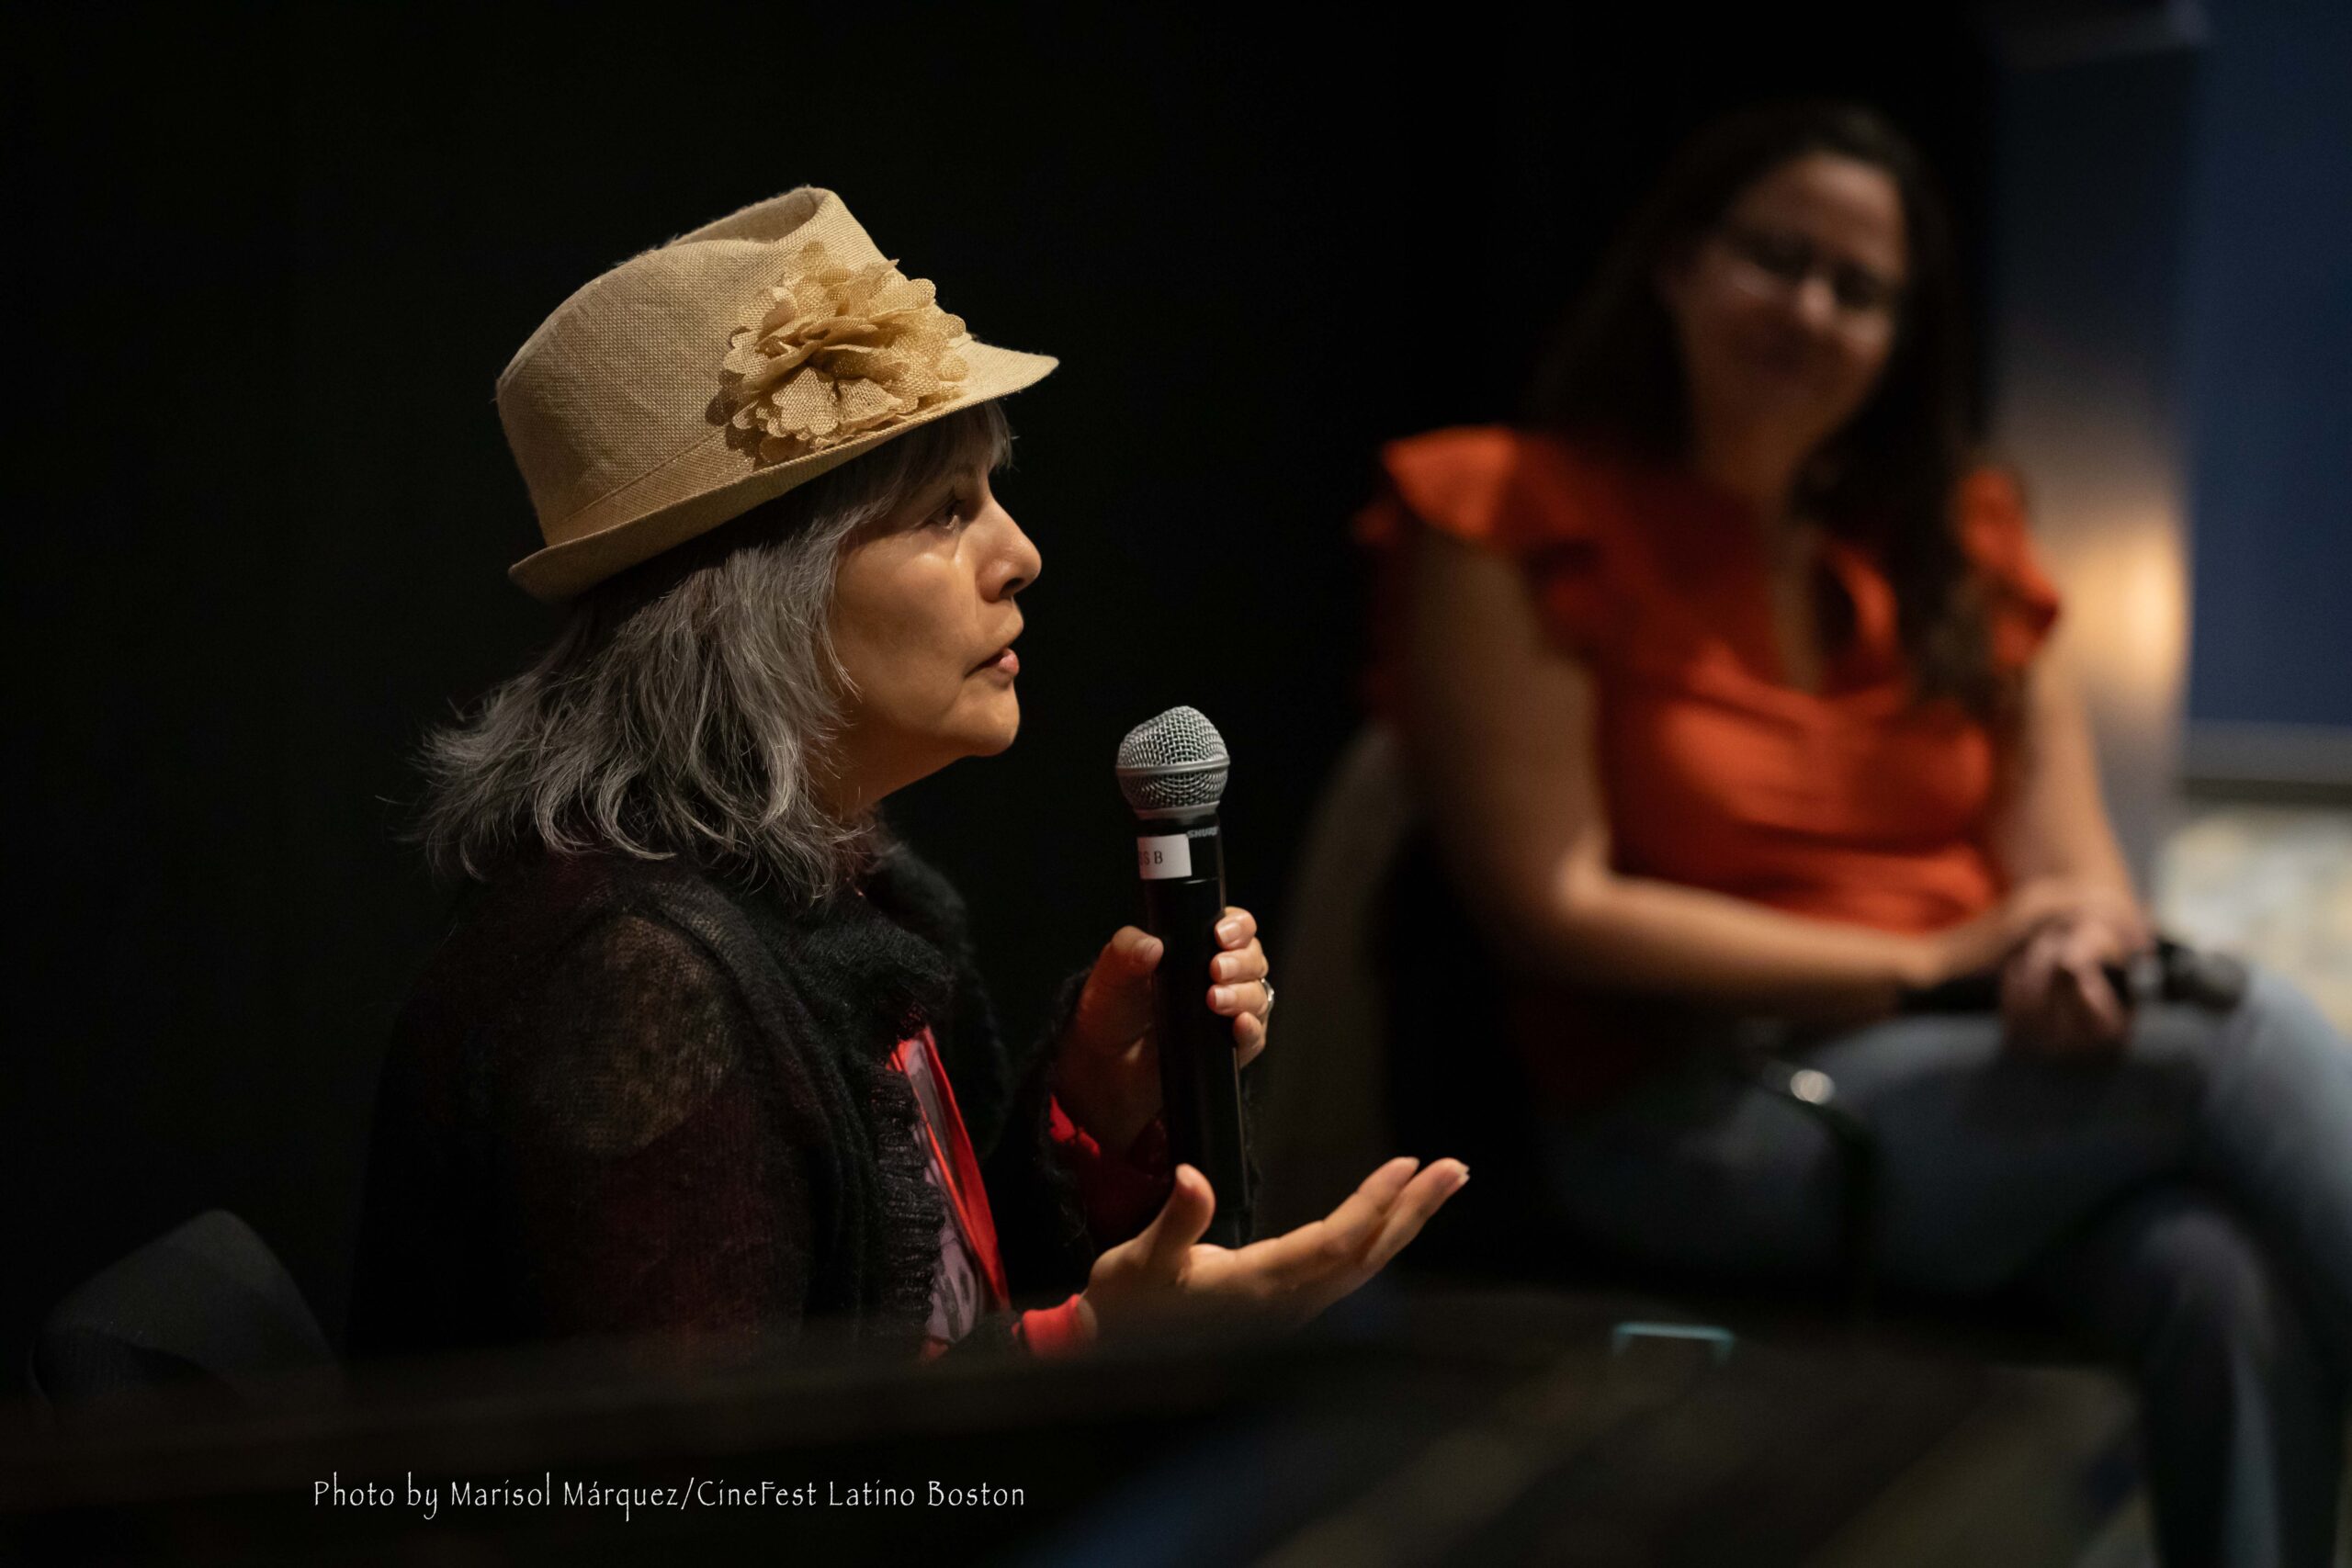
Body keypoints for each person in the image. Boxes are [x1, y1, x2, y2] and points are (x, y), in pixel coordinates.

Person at [1358, 102, 2351, 1566]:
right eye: (1779, 258)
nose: (1812, 310)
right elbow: (1550, 903)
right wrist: (1940, 954)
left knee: (2207, 1270)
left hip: (1969, 1082)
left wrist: (2075, 938)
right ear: (1681, 264)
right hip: (1694, 1110)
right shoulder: (1503, 509)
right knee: (2233, 1031)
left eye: (1861, 289)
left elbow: (2076, 872)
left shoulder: (1956, 540)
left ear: (1900, 335)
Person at [349, 187, 1465, 1368]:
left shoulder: (841, 901)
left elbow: (933, 1300)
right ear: (752, 601)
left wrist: (1094, 1113)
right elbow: (702, 1493)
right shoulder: (630, 979)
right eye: (943, 510)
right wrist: (1084, 1351)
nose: (1021, 555)